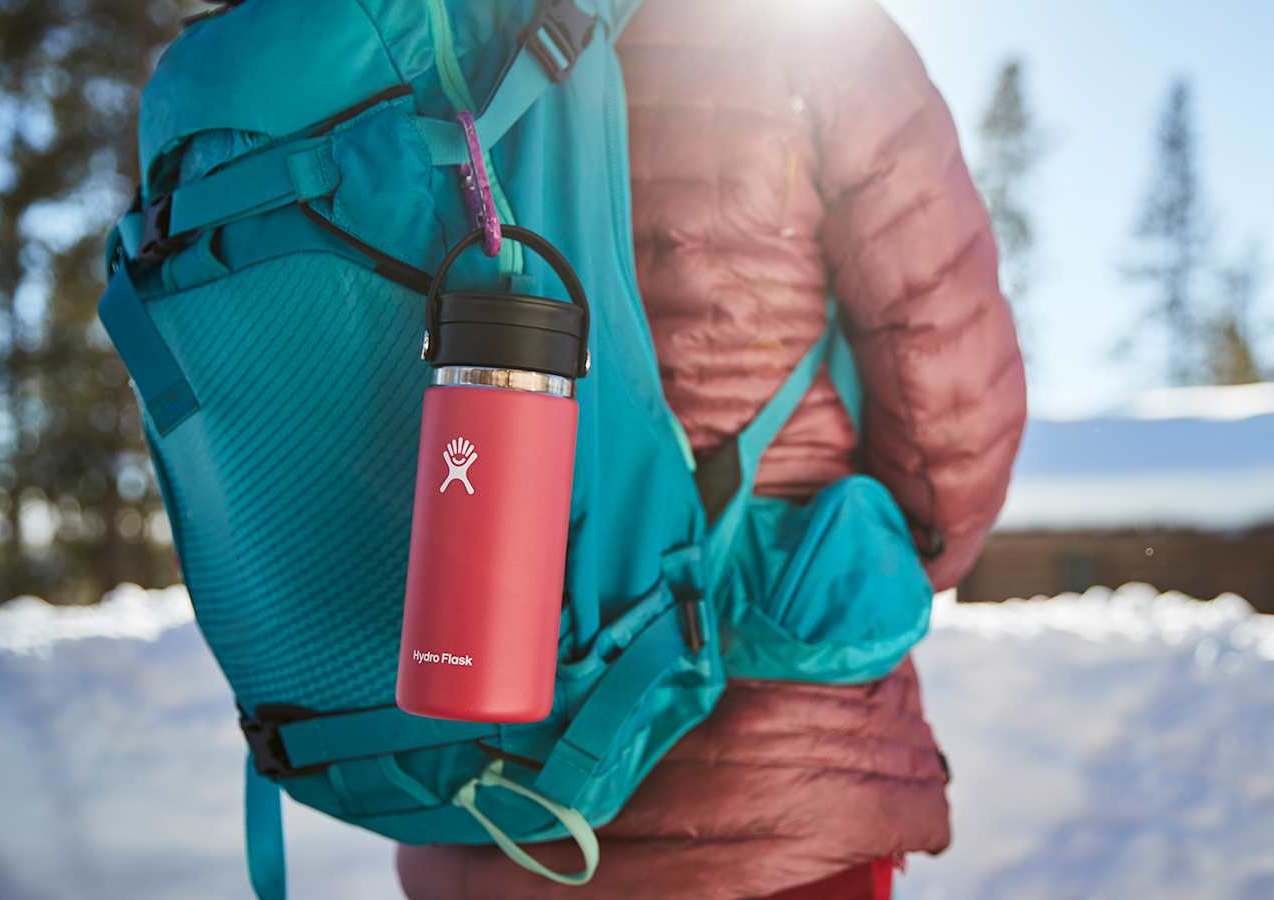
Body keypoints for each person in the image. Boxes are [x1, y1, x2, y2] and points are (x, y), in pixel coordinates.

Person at [397, 0, 1026, 896]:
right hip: (770, 759)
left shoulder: (450, 37)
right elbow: (952, 395)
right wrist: (856, 566)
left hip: (483, 776)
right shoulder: (827, 42)